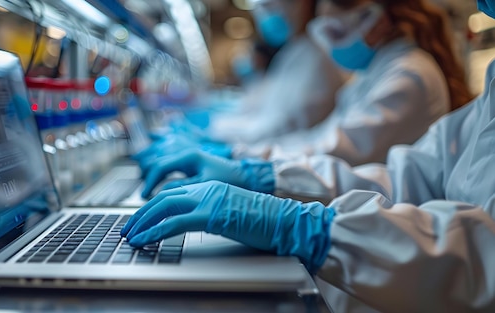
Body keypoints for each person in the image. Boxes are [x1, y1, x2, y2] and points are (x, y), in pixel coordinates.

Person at [120, 0, 495, 311]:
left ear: (377, 17)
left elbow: (480, 256)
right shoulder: (386, 73)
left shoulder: (408, 74)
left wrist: (305, 226)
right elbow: (407, 178)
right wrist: (264, 176)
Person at [137, 0, 474, 199]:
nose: (331, 45)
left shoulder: (408, 74)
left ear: (377, 19)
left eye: (335, 33)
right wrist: (241, 157)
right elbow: (318, 140)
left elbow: (337, 149)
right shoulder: (378, 71)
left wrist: (245, 160)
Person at [181, 0, 344, 145]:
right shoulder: (292, 53)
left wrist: (214, 129)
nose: (264, 17)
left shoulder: (316, 56)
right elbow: (264, 114)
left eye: (270, 6)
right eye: (260, 10)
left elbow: (284, 127)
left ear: (302, 3)